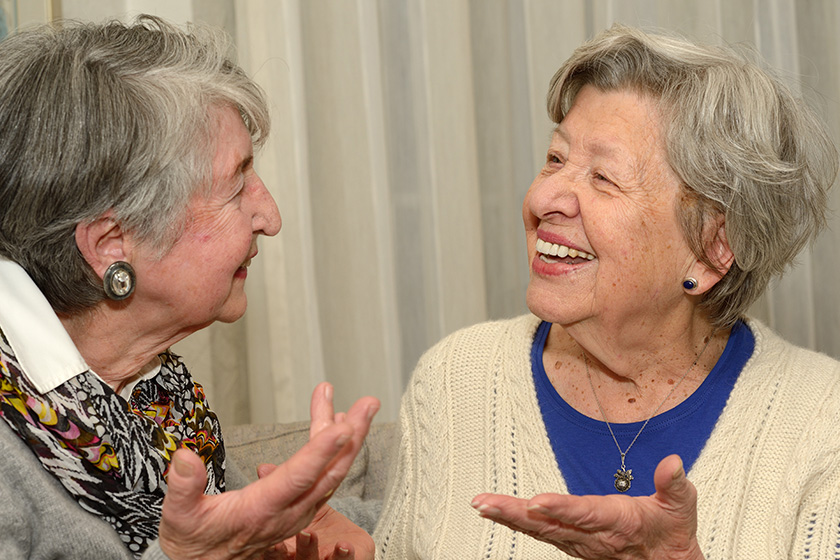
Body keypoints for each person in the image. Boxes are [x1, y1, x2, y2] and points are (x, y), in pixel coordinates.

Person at [373, 24, 840, 559]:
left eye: (603, 178)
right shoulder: (455, 381)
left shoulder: (824, 422)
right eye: (555, 158)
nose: (545, 196)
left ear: (714, 246)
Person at [0, 15, 379, 560]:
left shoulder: (157, 401)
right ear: (112, 246)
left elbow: (298, 524)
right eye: (236, 184)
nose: (270, 217)